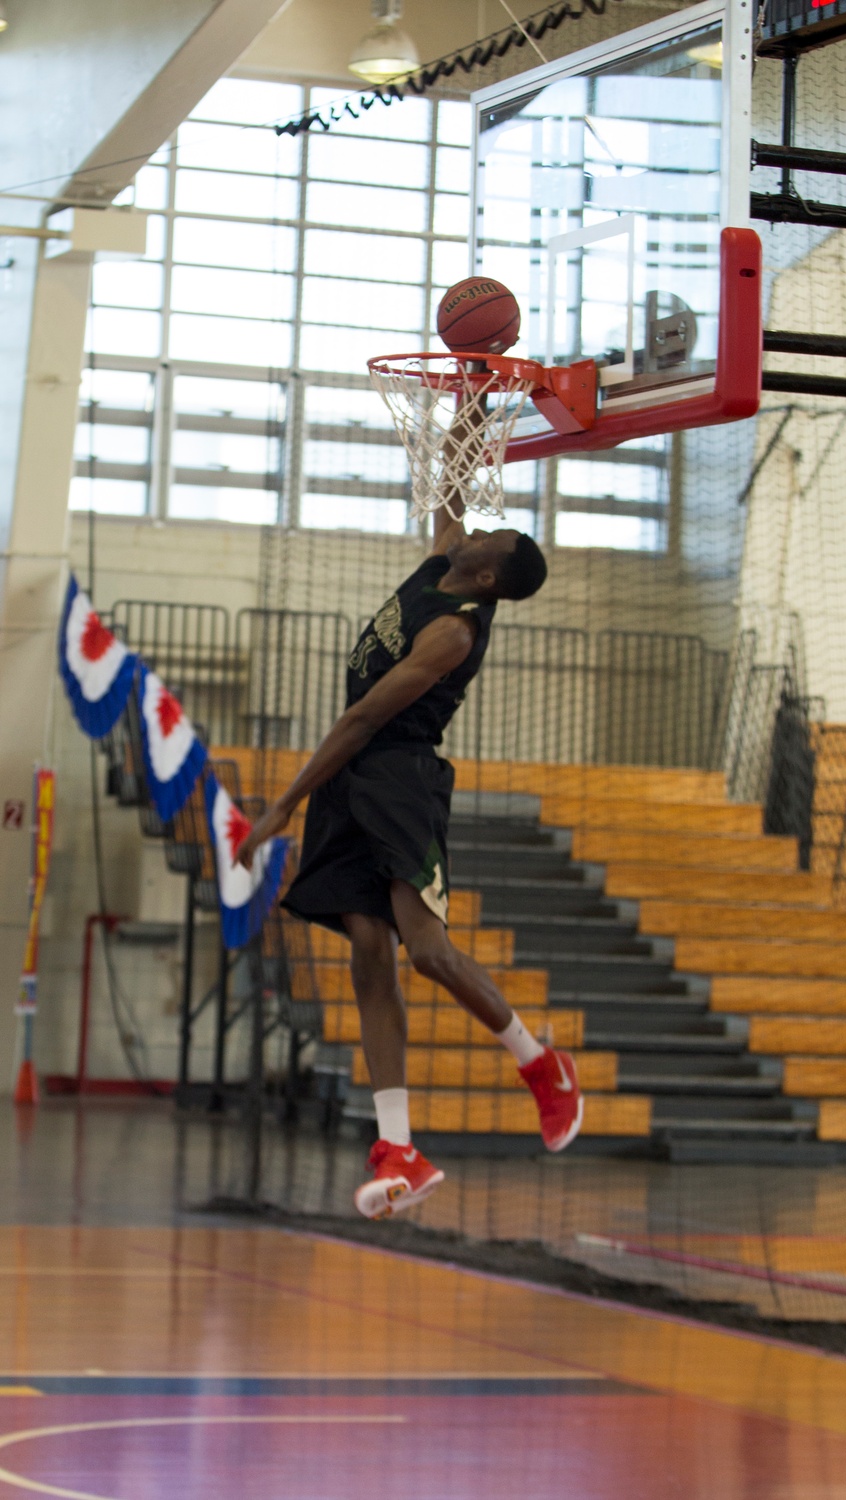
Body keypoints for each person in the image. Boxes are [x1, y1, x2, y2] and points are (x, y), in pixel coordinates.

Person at [236, 495, 584, 1220]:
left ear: (490, 578)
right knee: (367, 949)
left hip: (398, 779)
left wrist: (285, 803)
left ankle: (540, 1064)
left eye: (491, 536)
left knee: (426, 953)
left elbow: (363, 719)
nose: (477, 530)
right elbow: (451, 497)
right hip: (356, 778)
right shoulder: (441, 569)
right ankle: (399, 1149)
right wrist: (471, 398)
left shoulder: (454, 632)